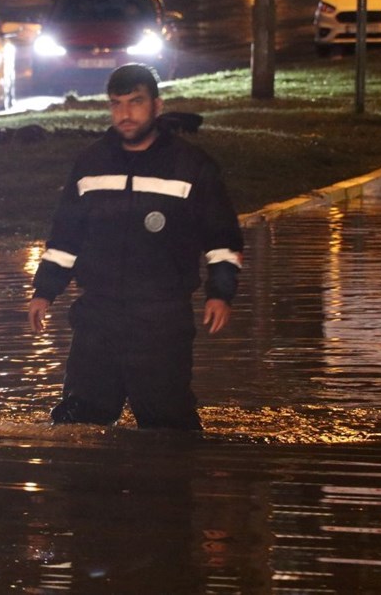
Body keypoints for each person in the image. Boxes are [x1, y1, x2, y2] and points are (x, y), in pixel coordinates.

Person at [27, 63, 244, 431]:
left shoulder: (191, 167)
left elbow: (221, 239)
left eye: (135, 102)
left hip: (161, 319)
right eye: (116, 104)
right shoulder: (91, 164)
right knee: (79, 423)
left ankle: (168, 485)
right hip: (98, 314)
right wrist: (44, 291)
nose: (124, 114)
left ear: (157, 106)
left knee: (167, 426)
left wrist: (220, 293)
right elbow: (67, 236)